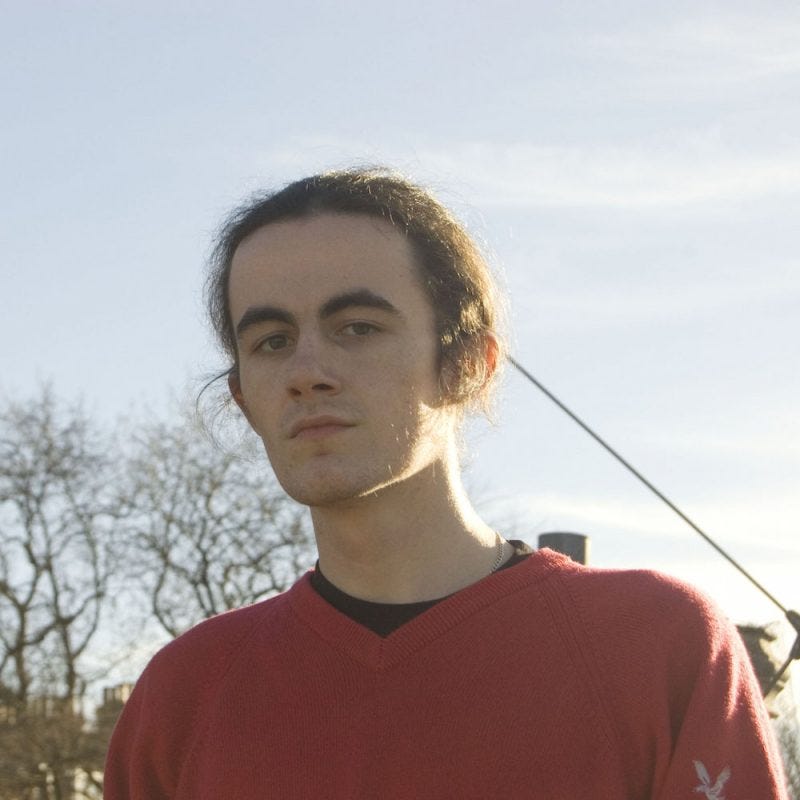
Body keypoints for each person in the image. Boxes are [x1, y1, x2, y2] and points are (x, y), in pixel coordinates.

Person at [103, 168, 788, 799]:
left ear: (469, 364)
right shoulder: (184, 696)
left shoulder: (657, 644)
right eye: (272, 341)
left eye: (357, 327)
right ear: (243, 399)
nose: (306, 372)